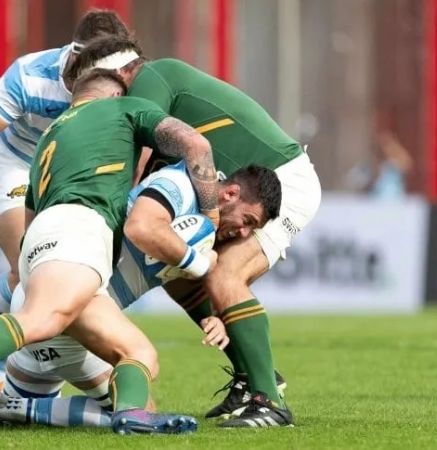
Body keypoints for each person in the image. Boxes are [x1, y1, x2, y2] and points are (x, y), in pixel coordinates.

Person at [0, 68, 219, 438]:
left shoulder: (48, 139)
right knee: (41, 318)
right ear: (114, 96)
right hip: (79, 231)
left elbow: (29, 217)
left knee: (139, 352)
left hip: (50, 243)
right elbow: (197, 145)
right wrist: (211, 217)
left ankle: (130, 414)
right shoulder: (126, 109)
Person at [0, 163, 281, 430]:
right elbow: (145, 231)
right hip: (79, 302)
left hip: (74, 316)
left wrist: (213, 315)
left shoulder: (200, 238)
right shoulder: (177, 185)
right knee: (136, 369)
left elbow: (176, 270)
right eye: (246, 221)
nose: (243, 234)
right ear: (228, 193)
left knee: (20, 399)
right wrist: (203, 263)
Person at [68, 36, 323, 427]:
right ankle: (252, 375)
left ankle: (270, 402)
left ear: (120, 73)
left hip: (282, 181)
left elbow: (133, 164)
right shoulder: (147, 89)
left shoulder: (150, 76)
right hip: (246, 188)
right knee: (178, 275)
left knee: (221, 272)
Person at [0, 10, 132, 365]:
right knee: (29, 270)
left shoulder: (124, 80)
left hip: (70, 176)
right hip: (17, 166)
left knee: (44, 279)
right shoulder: (30, 76)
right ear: (75, 52)